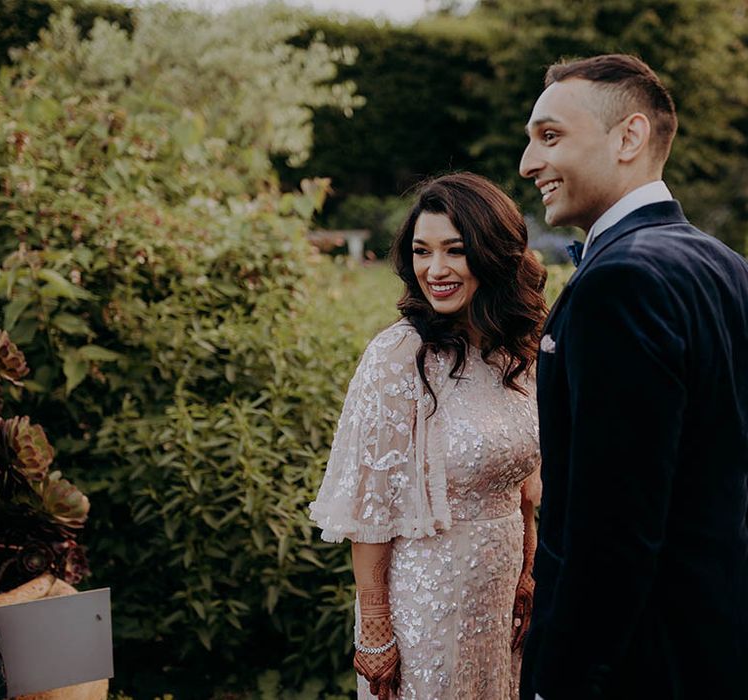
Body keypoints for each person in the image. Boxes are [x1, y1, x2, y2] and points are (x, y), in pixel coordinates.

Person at [518, 54, 748, 700]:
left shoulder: (621, 283)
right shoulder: (727, 266)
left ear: (630, 137)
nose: (528, 164)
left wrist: (559, 679)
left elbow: (611, 530)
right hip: (717, 644)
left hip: (638, 666)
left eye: (550, 136)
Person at [310, 172, 548, 699]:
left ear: (494, 255)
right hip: (426, 599)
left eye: (455, 251)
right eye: (421, 251)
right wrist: (374, 625)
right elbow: (370, 507)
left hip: (504, 590)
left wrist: (529, 569)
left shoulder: (518, 351)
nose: (434, 270)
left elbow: (523, 481)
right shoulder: (399, 358)